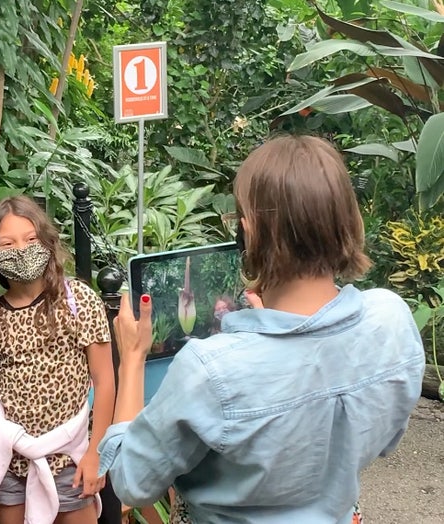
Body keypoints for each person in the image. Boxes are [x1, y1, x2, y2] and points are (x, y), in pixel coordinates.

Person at [99, 135, 425, 523]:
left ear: (250, 231)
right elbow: (382, 438)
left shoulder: (211, 369)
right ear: (347, 219)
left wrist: (133, 358)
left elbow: (132, 483)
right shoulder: (390, 320)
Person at [0, 195, 115, 524]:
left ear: (46, 242)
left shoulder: (79, 301)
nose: (22, 249)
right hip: (7, 460)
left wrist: (95, 453)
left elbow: (104, 381)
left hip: (69, 456)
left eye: (31, 239)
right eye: (8, 243)